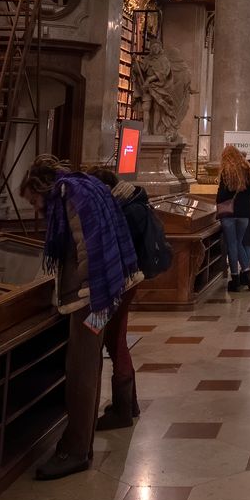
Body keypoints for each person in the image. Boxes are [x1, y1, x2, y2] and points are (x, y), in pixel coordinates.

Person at [22, 160, 142, 480]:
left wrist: (91, 296)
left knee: (82, 371)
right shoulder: (85, 188)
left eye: (34, 201)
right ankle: (82, 439)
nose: (36, 209)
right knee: (89, 366)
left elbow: (87, 247)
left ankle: (75, 449)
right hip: (107, 287)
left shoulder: (70, 197)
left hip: (93, 296)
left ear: (42, 188)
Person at [90, 166, 150, 429]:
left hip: (118, 284)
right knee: (117, 341)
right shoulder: (131, 200)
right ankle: (129, 404)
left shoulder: (120, 209)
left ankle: (123, 410)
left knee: (114, 342)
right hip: (125, 282)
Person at [215, 145, 250, 291]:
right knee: (240, 243)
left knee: (232, 244)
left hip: (229, 214)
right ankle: (247, 275)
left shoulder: (226, 171)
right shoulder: (247, 169)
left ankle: (235, 278)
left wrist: (222, 199)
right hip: (244, 213)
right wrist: (245, 196)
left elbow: (222, 195)